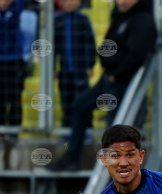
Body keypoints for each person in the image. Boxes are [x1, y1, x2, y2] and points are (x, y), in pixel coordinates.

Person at [52, 0, 156, 172]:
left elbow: (137, 56)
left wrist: (117, 73)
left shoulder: (142, 20)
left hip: (124, 83)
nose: (121, 1)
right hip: (109, 78)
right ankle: (71, 158)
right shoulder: (120, 16)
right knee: (80, 106)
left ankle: (117, 171)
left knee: (117, 127)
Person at [0, 0, 33, 135]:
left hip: (15, 60)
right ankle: (0, 131)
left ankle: (14, 132)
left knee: (15, 97)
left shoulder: (16, 7)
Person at [54, 0, 96, 128]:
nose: (69, 3)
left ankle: (87, 128)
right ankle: (67, 129)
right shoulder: (57, 20)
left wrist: (90, 65)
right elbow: (54, 47)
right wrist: (53, 67)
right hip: (64, 70)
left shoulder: (83, 20)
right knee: (66, 101)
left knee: (84, 100)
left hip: (81, 69)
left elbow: (90, 43)